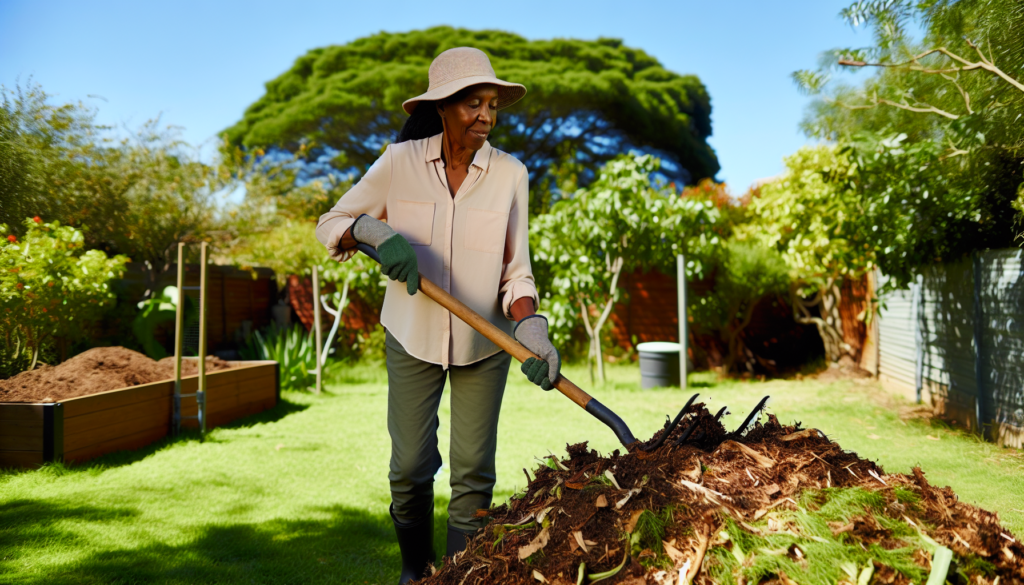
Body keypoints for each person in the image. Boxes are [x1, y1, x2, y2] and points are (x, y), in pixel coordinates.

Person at [315, 47, 561, 584]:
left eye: (493, 105)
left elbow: (515, 270)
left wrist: (531, 324)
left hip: (485, 344)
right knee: (408, 471)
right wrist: (372, 232)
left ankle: (454, 576)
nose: (486, 117)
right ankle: (412, 570)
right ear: (444, 107)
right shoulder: (399, 163)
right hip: (411, 334)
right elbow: (332, 220)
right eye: (474, 104)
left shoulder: (510, 174)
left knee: (474, 472)